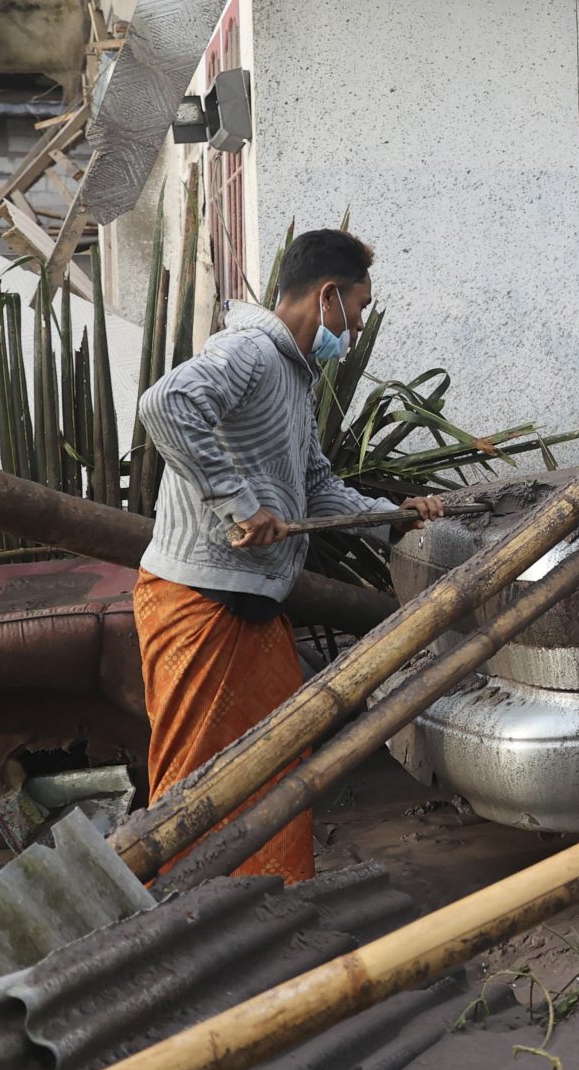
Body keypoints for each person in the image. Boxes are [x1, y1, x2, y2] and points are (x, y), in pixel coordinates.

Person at [132, 229, 442, 880]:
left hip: (251, 606)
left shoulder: (293, 377)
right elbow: (165, 403)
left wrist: (395, 518)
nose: (356, 327)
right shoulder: (248, 350)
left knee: (273, 769)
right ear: (327, 295)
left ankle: (265, 907)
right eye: (356, 308)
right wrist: (239, 504)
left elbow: (318, 486)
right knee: (192, 788)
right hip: (197, 604)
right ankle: (178, 922)